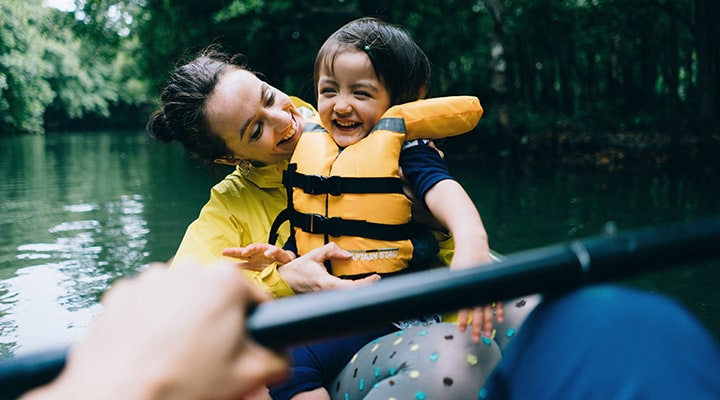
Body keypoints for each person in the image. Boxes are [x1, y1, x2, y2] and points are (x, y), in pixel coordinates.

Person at [216, 17, 497, 400]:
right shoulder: (312, 152)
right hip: (346, 310)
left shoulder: (406, 152)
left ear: (400, 101)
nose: (341, 105)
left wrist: (472, 244)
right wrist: (277, 263)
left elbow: (448, 194)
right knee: (276, 365)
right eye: (329, 91)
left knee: (287, 366)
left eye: (361, 94)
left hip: (393, 308)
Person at [16, 263, 720, 399]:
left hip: (392, 327)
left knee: (620, 323)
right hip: (288, 361)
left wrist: (471, 242)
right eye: (251, 129)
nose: (280, 120)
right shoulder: (216, 235)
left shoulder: (392, 155)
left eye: (271, 98)